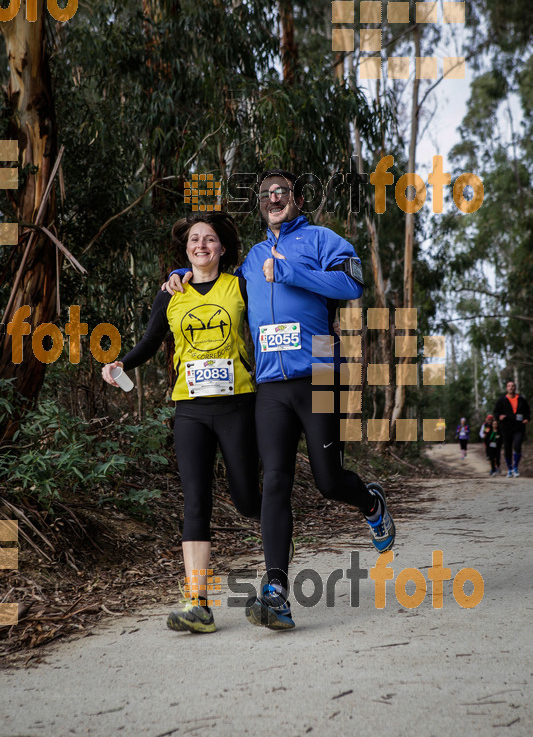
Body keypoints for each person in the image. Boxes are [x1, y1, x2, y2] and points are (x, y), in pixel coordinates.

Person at [166, 170, 395, 631]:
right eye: (267, 194)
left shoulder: (320, 239)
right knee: (275, 481)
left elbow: (352, 284)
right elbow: (219, 287)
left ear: (297, 198)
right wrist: (183, 276)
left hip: (322, 370)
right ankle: (276, 592)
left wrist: (293, 270)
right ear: (260, 204)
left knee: (329, 481)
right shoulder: (250, 258)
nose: (274, 199)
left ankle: (370, 503)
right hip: (270, 384)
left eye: (282, 192)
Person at [102, 212, 262, 634]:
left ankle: (278, 531)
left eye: (210, 239)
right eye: (195, 240)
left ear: (222, 249)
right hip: (189, 407)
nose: (202, 245)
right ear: (186, 248)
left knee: (247, 500)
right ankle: (198, 602)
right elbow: (152, 340)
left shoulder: (239, 285)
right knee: (196, 503)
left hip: (237, 404)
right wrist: (124, 362)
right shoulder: (170, 294)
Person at [493, 380, 530, 477]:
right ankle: (509, 469)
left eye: (513, 386)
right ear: (506, 388)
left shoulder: (521, 399)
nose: (511, 387)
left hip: (519, 427)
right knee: (507, 448)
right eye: (509, 386)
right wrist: (499, 417)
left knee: (517, 446)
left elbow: (528, 412)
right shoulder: (502, 400)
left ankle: (516, 468)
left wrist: (527, 419)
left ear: (515, 388)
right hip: (506, 428)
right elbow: (496, 412)